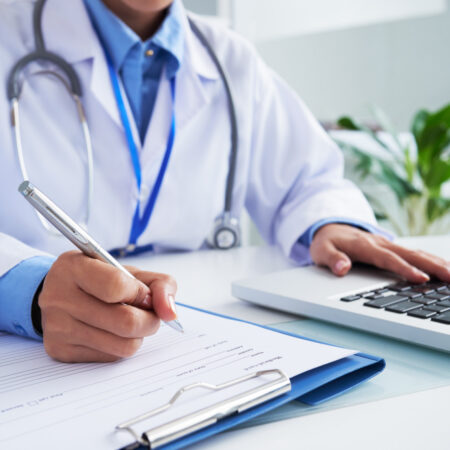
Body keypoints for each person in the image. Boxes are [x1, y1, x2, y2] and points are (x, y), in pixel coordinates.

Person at [0, 0, 448, 363]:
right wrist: (30, 289)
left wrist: (329, 223)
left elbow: (309, 181)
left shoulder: (231, 59)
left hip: (192, 347)